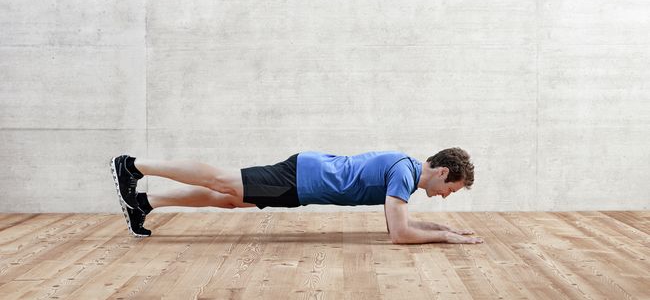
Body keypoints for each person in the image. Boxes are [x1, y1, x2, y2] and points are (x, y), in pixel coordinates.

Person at [110, 147, 483, 245]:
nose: (444, 197)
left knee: (228, 198)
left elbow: (400, 224)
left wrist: (441, 229)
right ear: (442, 172)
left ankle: (145, 203)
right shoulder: (404, 173)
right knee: (222, 181)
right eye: (449, 190)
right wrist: (446, 236)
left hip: (304, 185)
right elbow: (399, 234)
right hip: (303, 178)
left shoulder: (404, 171)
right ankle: (134, 166)